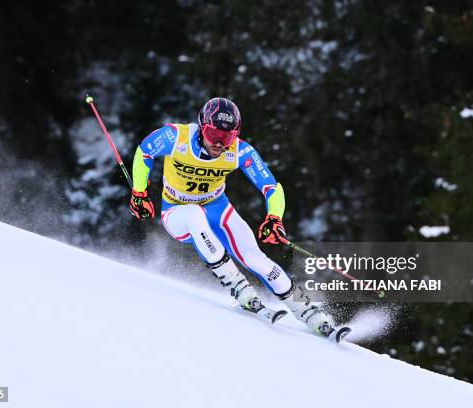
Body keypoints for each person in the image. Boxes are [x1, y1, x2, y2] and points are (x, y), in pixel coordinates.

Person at [129, 97, 336, 337]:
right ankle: (240, 289)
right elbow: (144, 150)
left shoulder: (240, 151)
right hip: (177, 212)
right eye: (214, 134)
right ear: (202, 126)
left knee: (255, 258)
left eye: (227, 137)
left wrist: (274, 217)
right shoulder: (176, 137)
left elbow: (271, 187)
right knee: (195, 214)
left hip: (217, 207)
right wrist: (139, 192)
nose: (219, 143)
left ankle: (310, 312)